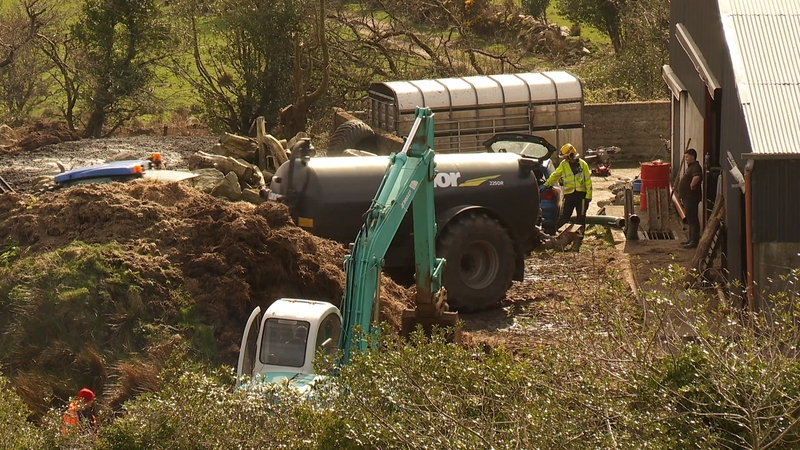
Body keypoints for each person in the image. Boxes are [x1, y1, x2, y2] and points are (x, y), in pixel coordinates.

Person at [544, 143, 593, 239]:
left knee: (581, 218)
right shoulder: (563, 165)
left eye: (566, 156)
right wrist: (547, 184)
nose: (564, 159)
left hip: (581, 196)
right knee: (564, 217)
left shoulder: (583, 165)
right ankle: (558, 237)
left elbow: (588, 181)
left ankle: (579, 238)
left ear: (571, 155)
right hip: (569, 195)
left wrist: (588, 197)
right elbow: (555, 175)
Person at [679, 148, 703, 249]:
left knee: (693, 219)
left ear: (692, 157)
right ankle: (690, 239)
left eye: (687, 157)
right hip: (687, 197)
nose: (686, 159)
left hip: (691, 197)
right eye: (685, 157)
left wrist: (692, 186)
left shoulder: (696, 167)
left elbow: (697, 177)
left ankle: (694, 241)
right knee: (690, 218)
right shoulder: (691, 167)